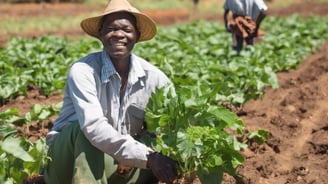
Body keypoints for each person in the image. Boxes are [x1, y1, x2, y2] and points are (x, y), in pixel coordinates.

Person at [43, 0, 178, 183]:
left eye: (126, 30)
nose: (119, 35)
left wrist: (147, 154)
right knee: (84, 132)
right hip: (66, 162)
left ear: (137, 36)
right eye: (111, 29)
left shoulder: (154, 79)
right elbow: (93, 127)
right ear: (100, 34)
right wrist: (148, 158)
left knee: (157, 147)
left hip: (116, 162)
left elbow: (174, 126)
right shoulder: (83, 70)